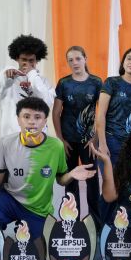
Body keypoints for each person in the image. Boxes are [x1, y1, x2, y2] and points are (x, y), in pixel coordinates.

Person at [0, 97, 96, 239]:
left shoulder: (56, 146)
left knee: (38, 246)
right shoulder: (6, 143)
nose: (32, 121)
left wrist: (71, 174)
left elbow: (61, 180)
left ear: (45, 121)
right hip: (10, 199)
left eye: (37, 117)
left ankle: (23, 225)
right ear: (18, 120)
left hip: (38, 210)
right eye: (26, 117)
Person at [52, 46, 103, 221]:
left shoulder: (96, 82)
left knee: (92, 181)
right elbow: (56, 113)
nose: (75, 62)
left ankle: (95, 221)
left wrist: (95, 138)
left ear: (85, 59)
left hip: (88, 142)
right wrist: (61, 139)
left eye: (78, 58)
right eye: (71, 60)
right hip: (68, 141)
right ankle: (72, 220)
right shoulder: (64, 83)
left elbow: (102, 113)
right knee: (70, 181)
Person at [96, 48, 131, 167]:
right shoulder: (111, 82)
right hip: (110, 140)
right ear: (123, 63)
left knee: (129, 178)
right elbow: (101, 115)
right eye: (129, 58)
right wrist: (102, 144)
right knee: (110, 178)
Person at [0, 34, 55, 137]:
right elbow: (3, 82)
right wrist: (8, 73)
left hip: (38, 136)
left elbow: (46, 103)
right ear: (17, 59)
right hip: (13, 136)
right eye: (24, 59)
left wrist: (32, 74)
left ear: (37, 60)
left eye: (31, 60)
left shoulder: (44, 82)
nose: (27, 63)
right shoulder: (8, 76)